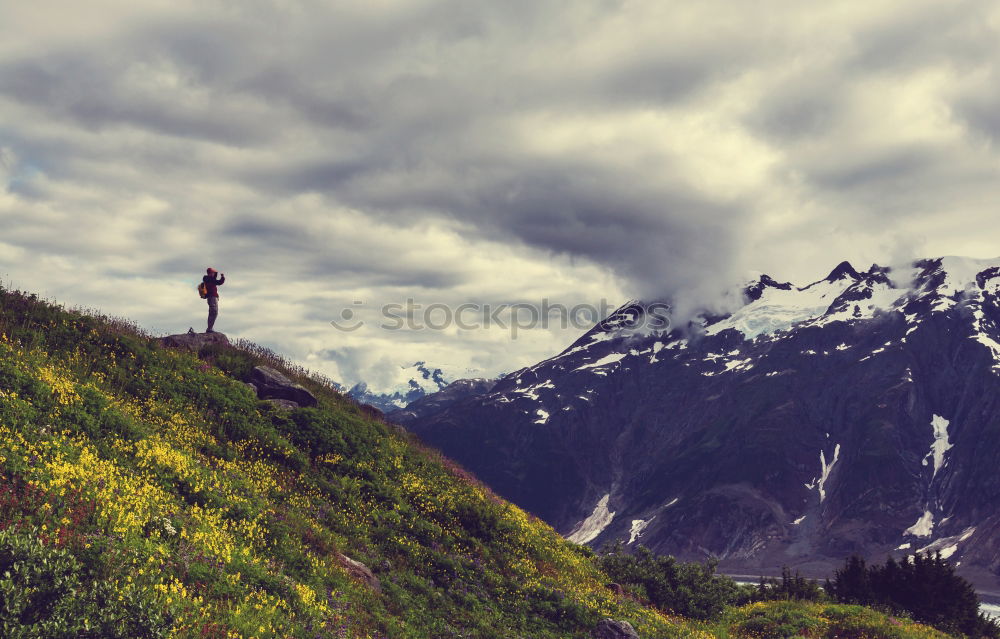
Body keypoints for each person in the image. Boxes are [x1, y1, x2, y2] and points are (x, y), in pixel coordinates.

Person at [203, 267, 225, 333]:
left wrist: (215, 274)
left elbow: (215, 280)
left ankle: (210, 328)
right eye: (213, 272)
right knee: (214, 312)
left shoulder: (208, 279)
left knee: (212, 312)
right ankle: (209, 328)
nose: (214, 274)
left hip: (211, 298)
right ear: (211, 273)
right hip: (212, 298)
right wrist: (222, 277)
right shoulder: (210, 279)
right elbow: (219, 282)